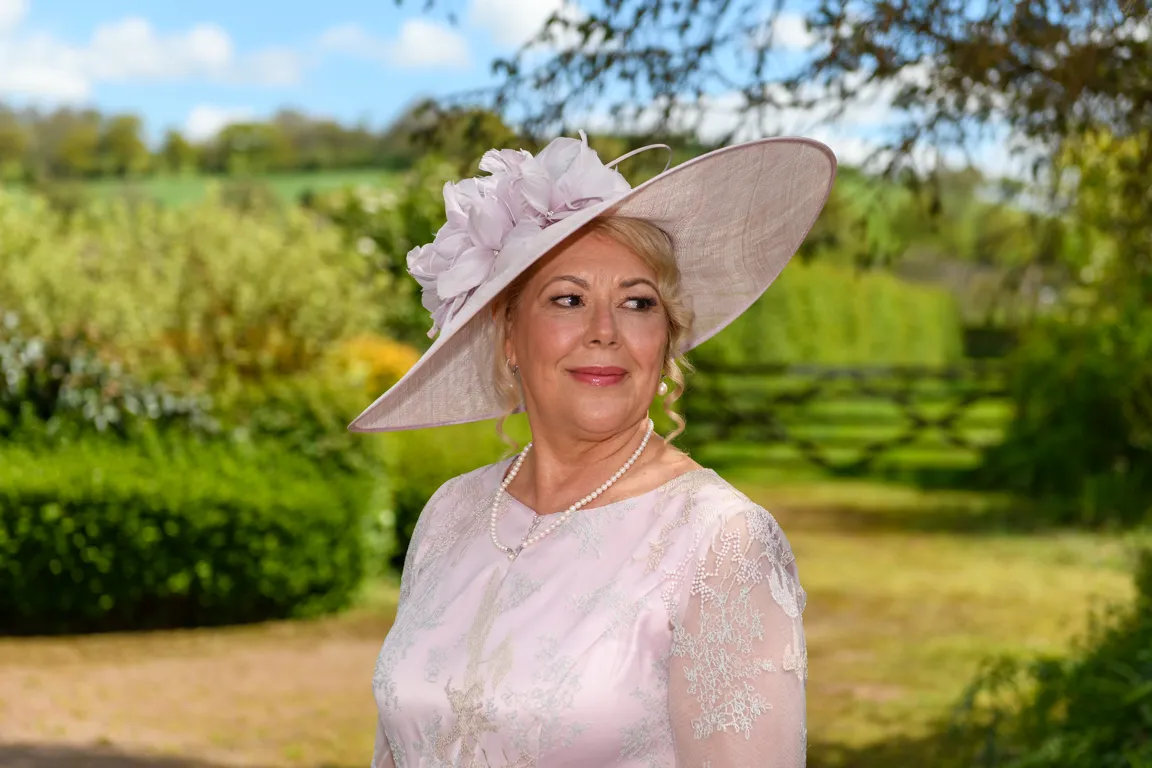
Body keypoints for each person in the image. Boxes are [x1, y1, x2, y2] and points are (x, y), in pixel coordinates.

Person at [349, 131, 836, 767]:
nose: (604, 331)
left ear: (664, 341)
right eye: (568, 299)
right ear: (510, 338)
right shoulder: (452, 512)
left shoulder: (720, 540)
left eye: (637, 303)